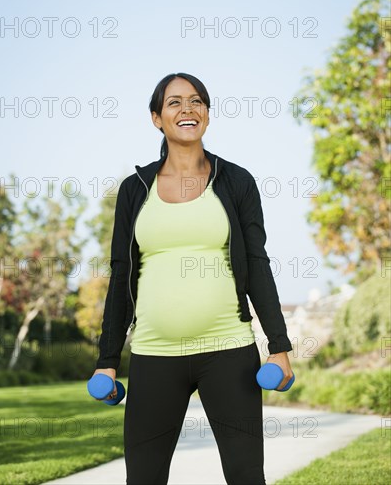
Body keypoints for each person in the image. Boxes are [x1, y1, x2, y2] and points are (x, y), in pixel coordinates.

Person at [90, 72, 294, 485]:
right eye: (175, 102)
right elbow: (122, 274)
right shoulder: (135, 190)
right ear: (156, 118)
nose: (188, 109)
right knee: (143, 479)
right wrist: (107, 361)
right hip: (154, 354)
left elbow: (257, 264)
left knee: (246, 476)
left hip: (227, 351)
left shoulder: (236, 181)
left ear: (207, 113)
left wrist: (280, 346)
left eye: (197, 101)